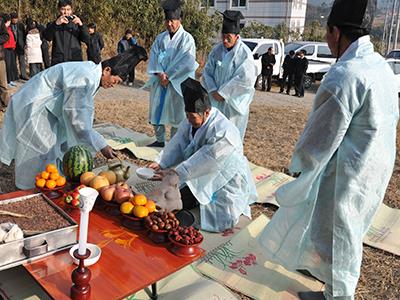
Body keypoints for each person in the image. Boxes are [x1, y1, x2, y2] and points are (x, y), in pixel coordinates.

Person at [258, 1, 398, 300]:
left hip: (349, 171)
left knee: (340, 233)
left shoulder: (345, 75)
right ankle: (334, 290)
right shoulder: (380, 66)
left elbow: (320, 137)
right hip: (376, 164)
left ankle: (339, 296)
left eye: (326, 32)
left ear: (335, 32)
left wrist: (300, 163)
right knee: (351, 230)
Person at [0, 47, 148, 190]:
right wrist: (101, 144)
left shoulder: (90, 73)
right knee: (40, 148)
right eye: (115, 81)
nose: (113, 86)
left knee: (51, 148)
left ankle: (45, 183)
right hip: (35, 107)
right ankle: (29, 188)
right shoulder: (84, 77)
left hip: (44, 107)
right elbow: (77, 118)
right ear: (107, 70)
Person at [149, 78, 257, 232]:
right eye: (187, 116)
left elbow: (208, 159)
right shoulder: (191, 120)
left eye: (192, 117)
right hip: (197, 172)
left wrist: (176, 173)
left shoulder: (224, 132)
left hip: (224, 179)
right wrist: (161, 162)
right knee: (174, 199)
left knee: (221, 216)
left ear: (207, 112)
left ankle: (194, 217)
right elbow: (179, 141)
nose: (189, 120)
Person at [146, 0, 198, 148]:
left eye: (173, 21)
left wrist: (169, 76)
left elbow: (186, 62)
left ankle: (176, 141)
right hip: (160, 80)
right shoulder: (160, 38)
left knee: (178, 113)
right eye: (167, 20)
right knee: (157, 109)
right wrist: (160, 73)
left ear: (179, 20)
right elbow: (154, 56)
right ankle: (160, 139)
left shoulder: (187, 39)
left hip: (178, 82)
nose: (170, 24)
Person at [202, 10, 257, 141]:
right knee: (213, 132)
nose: (225, 41)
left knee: (231, 136)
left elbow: (245, 80)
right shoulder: (216, 50)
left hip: (232, 104)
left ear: (237, 37)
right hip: (215, 99)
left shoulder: (244, 54)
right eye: (223, 36)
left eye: (229, 38)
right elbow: (207, 72)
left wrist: (223, 93)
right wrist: (213, 89)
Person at [43, 0, 90, 66]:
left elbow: (87, 39)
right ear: (59, 9)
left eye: (68, 9)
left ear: (71, 10)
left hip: (74, 60)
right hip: (59, 61)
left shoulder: (77, 24)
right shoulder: (53, 24)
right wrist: (56, 24)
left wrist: (81, 25)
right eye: (63, 9)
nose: (66, 12)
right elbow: (47, 37)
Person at [10, 13, 27, 80]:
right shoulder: (9, 26)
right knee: (13, 61)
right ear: (11, 19)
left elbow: (24, 35)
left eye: (16, 18)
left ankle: (23, 75)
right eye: (14, 19)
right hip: (12, 46)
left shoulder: (21, 25)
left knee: (22, 61)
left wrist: (24, 44)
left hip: (20, 45)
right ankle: (15, 75)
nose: (15, 20)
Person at [3, 15, 18, 86]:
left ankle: (10, 79)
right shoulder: (3, 29)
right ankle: (7, 81)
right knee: (7, 65)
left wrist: (14, 45)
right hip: (6, 49)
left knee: (12, 64)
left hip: (11, 49)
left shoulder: (9, 28)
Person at [0, 16, 9, 111]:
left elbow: (6, 36)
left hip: (0, 58)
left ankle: (6, 103)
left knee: (2, 83)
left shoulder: (0, 21)